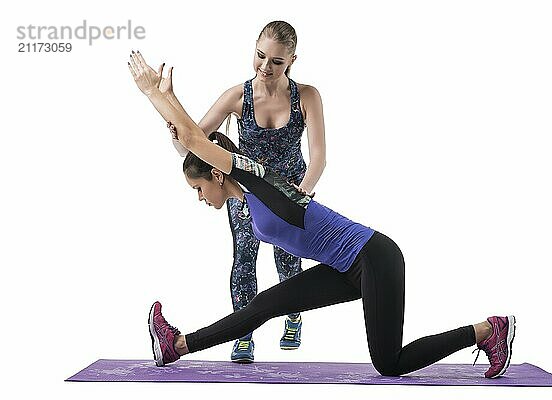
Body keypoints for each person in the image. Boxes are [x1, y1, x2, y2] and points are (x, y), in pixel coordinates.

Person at [129, 52, 516, 379]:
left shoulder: (253, 174)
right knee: (262, 307)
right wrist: (167, 102)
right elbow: (191, 142)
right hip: (345, 266)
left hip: (374, 257)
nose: (199, 198)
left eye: (198, 189)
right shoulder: (247, 194)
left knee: (389, 363)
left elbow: (197, 140)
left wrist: (154, 93)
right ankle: (175, 346)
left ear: (217, 173)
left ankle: (487, 330)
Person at [158, 21, 326, 362]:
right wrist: (169, 109)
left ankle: (293, 314)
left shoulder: (307, 96)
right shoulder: (238, 96)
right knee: (244, 258)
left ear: (293, 59)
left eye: (277, 62)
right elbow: (195, 143)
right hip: (246, 193)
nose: (265, 67)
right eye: (260, 56)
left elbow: (319, 156)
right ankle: (243, 333)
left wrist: (301, 194)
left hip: (292, 190)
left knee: (288, 258)